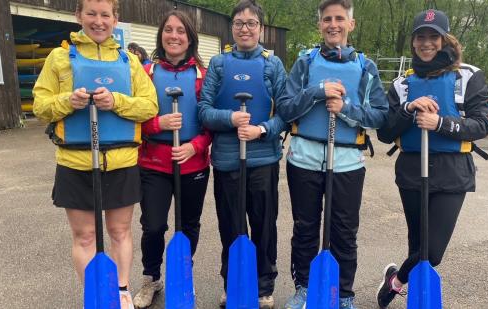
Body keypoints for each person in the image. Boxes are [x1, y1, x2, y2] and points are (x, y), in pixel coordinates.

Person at [32, 0, 158, 308]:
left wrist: (116, 101)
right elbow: (40, 105)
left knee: (119, 231)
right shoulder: (59, 58)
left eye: (105, 15)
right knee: (86, 237)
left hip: (121, 160)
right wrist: (67, 101)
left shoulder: (129, 61)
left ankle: (122, 290)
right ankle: (96, 295)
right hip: (75, 162)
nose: (98, 21)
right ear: (78, 16)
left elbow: (149, 106)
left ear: (115, 19)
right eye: (91, 13)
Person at [275, 0, 388, 308]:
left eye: (340, 19)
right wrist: (318, 90)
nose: (333, 24)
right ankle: (304, 288)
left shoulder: (366, 67)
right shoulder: (305, 62)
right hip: (304, 160)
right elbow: (285, 107)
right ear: (320, 24)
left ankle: (344, 293)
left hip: (348, 163)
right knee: (305, 228)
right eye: (327, 19)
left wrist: (347, 110)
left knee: (344, 232)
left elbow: (380, 115)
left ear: (351, 24)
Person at [375, 9, 488, 308]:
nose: (427, 43)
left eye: (433, 37)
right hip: (412, 171)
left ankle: (396, 280)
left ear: (445, 39)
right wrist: (409, 109)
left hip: (453, 172)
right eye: (420, 37)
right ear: (413, 42)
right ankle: (413, 294)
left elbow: (481, 125)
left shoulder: (469, 76)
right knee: (417, 244)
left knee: (433, 251)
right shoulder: (402, 84)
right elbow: (385, 133)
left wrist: (441, 124)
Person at [198, 0, 287, 307]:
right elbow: (203, 111)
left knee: (264, 225)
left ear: (260, 28)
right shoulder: (218, 64)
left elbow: (285, 114)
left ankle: (263, 286)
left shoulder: (272, 64)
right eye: (239, 23)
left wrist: (261, 130)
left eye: (251, 23)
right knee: (231, 225)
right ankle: (233, 282)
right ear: (232, 27)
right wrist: (231, 119)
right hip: (226, 160)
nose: (245, 28)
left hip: (263, 159)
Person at [131, 10, 211, 309]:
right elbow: (133, 116)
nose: (174, 36)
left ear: (190, 38)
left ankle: (181, 275)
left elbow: (212, 123)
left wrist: (196, 146)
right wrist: (157, 125)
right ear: (161, 34)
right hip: (154, 163)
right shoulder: (145, 72)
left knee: (189, 225)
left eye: (181, 31)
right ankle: (151, 278)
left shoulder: (203, 74)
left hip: (193, 162)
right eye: (169, 30)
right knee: (153, 225)